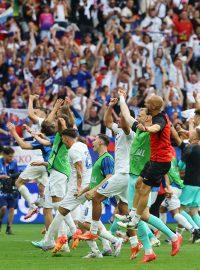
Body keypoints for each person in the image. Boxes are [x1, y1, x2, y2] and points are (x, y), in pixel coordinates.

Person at [117, 89, 182, 257]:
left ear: (149, 113)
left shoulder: (154, 123)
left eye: (142, 113)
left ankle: (147, 243)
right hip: (144, 169)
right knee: (143, 208)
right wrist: (122, 98)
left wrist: (148, 128)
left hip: (155, 167)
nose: (138, 115)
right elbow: (126, 113)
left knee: (140, 213)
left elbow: (156, 127)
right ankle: (163, 241)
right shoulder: (139, 128)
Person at [7, 120, 55, 219]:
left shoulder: (41, 140)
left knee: (18, 183)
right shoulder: (56, 138)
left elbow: (23, 145)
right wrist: (29, 132)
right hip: (50, 166)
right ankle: (41, 200)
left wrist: (14, 132)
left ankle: (32, 206)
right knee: (43, 187)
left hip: (39, 161)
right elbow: (36, 136)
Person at [0, 147, 19, 234]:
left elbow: (16, 175)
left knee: (11, 209)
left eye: (12, 156)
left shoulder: (14, 163)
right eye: (9, 156)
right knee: (3, 208)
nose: (11, 158)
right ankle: (0, 221)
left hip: (12, 189)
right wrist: (2, 177)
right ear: (4, 154)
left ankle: (8, 228)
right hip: (1, 189)